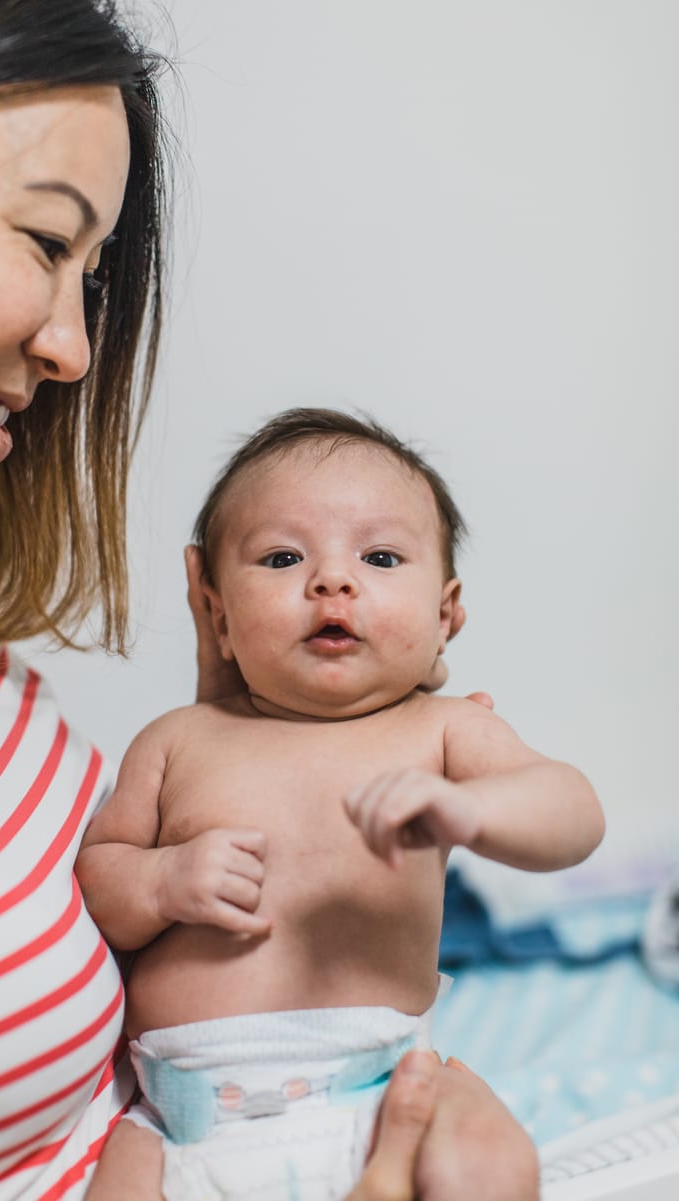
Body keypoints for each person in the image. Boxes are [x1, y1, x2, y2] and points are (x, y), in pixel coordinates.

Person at [0, 4, 539, 1199]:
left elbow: (554, 811)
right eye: (41, 239)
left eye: (95, 275)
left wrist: (241, 715)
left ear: (450, 609)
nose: (75, 347)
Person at [77, 408, 604, 1200]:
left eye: (381, 555)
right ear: (218, 616)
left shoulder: (441, 731)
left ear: (444, 616)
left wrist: (472, 809)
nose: (331, 579)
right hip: (181, 1121)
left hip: (384, 1088)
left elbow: (573, 811)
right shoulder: (179, 738)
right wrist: (161, 880)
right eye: (284, 556)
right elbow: (100, 874)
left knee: (490, 1160)